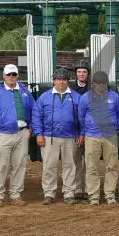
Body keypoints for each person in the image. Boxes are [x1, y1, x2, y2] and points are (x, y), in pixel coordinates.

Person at [0, 63, 35, 206]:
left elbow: (33, 109)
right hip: (3, 134)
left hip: (22, 133)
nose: (11, 77)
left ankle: (16, 195)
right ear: (3, 76)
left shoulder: (25, 91)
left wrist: (31, 128)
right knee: (2, 165)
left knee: (20, 165)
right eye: (8, 74)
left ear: (18, 76)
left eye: (14, 74)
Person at [31, 67, 81, 205]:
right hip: (49, 136)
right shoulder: (44, 97)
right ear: (54, 81)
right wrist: (39, 134)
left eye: (64, 79)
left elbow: (83, 117)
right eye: (59, 79)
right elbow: (37, 116)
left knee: (70, 165)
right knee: (49, 165)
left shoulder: (77, 97)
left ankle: (69, 192)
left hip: (70, 136)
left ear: (68, 81)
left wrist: (81, 133)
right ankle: (49, 193)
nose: (61, 82)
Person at [78, 70, 119, 205]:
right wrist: (87, 130)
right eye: (98, 83)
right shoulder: (85, 98)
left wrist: (114, 126)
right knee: (92, 167)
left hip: (110, 136)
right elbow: (81, 117)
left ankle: (110, 194)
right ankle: (93, 195)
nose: (101, 86)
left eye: (103, 83)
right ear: (93, 84)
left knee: (112, 166)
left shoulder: (114, 97)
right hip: (92, 136)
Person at [69, 60, 90, 199]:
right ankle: (77, 189)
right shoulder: (70, 89)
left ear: (88, 74)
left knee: (89, 162)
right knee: (75, 161)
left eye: (84, 72)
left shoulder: (93, 88)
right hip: (75, 130)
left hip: (89, 131)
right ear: (76, 73)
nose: (81, 74)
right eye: (79, 72)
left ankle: (89, 189)